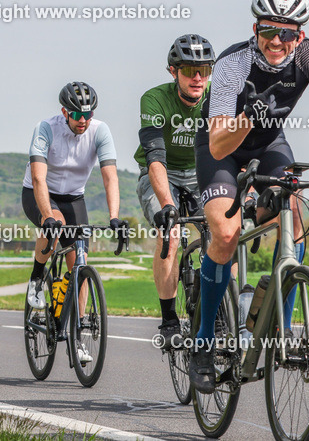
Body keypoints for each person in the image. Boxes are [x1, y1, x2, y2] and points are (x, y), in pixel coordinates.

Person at [189, 0, 309, 393]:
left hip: (270, 145)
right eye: (268, 31)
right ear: (256, 28)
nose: (276, 41)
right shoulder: (234, 63)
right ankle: (202, 341)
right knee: (227, 233)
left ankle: (279, 331)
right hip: (221, 148)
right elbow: (217, 143)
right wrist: (248, 118)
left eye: (287, 33)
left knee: (294, 217)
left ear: (299, 35)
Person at [23, 82, 126, 364]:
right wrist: (47, 216)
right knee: (52, 223)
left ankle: (77, 337)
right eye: (77, 115)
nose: (83, 120)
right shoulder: (46, 128)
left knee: (78, 264)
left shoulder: (99, 131)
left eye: (88, 115)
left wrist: (114, 216)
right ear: (64, 112)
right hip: (38, 193)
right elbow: (38, 178)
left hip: (74, 198)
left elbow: (110, 177)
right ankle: (36, 277)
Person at [134, 34, 215, 346]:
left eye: (204, 70)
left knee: (222, 233)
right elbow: (155, 158)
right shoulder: (154, 99)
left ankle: (220, 310)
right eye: (188, 69)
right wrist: (168, 204)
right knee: (168, 232)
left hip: (200, 173)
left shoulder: (216, 100)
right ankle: (169, 319)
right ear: (173, 71)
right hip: (161, 173)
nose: (197, 77)